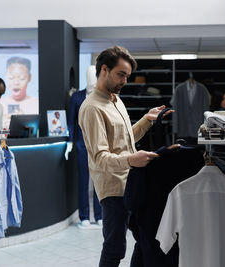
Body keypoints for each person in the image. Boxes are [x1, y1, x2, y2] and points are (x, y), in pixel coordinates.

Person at [79, 46, 173, 267]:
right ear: (104, 70)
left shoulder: (115, 100)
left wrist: (147, 120)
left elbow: (125, 139)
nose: (125, 81)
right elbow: (101, 157)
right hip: (112, 189)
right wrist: (131, 160)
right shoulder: (92, 108)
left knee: (143, 238)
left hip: (130, 183)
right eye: (121, 74)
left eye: (127, 76)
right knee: (115, 248)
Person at [65, 65, 102, 228]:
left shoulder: (102, 96)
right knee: (83, 180)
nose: (92, 78)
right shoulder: (77, 97)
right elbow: (71, 122)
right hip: (81, 144)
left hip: (99, 145)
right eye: (89, 75)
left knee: (99, 181)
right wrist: (70, 142)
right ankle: (84, 216)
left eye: (94, 75)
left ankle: (100, 216)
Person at [0, 56, 39, 129]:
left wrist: (25, 123)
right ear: (6, 77)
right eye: (11, 77)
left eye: (22, 78)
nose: (16, 82)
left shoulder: (38, 104)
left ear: (29, 78)